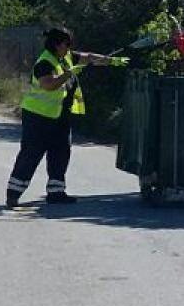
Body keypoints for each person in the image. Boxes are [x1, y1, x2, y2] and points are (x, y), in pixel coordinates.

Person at [7, 25, 115, 208]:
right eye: (67, 44)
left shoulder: (65, 58)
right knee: (31, 155)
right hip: (38, 117)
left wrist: (110, 60)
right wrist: (69, 74)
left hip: (59, 117)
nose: (70, 47)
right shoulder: (45, 63)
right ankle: (13, 194)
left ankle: (56, 192)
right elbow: (48, 85)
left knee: (60, 154)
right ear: (57, 45)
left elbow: (87, 57)